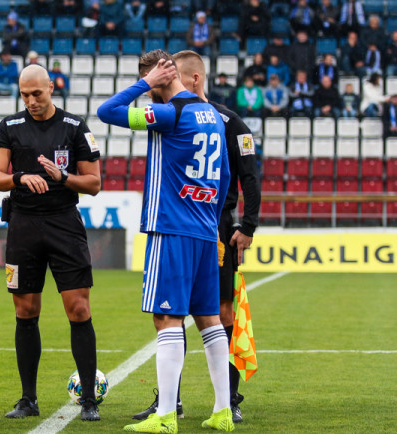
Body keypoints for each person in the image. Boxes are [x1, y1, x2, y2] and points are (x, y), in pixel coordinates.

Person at [97, 50, 233, 433]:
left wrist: (145, 83)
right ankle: (223, 411)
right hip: (205, 230)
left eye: (151, 82)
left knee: (167, 318)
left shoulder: (169, 114)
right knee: (208, 319)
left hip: (171, 227)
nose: (148, 96)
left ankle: (166, 416)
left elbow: (107, 112)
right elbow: (223, 177)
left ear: (161, 77)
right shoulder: (213, 117)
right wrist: (213, 222)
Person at [130, 49, 261, 426]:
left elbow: (246, 177)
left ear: (194, 79)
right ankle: (173, 401)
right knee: (195, 314)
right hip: (205, 224)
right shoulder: (190, 116)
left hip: (210, 226)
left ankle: (227, 399)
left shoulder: (227, 122)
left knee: (213, 314)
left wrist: (245, 225)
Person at [0, 64, 102, 422]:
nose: (31, 100)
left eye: (37, 93)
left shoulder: (74, 128)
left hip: (64, 224)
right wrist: (20, 177)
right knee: (25, 311)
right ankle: (28, 399)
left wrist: (63, 176)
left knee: (78, 309)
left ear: (51, 88)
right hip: (23, 226)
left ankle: (88, 401)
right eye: (25, 94)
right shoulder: (9, 128)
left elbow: (94, 183)